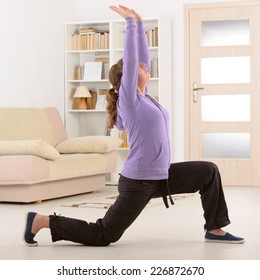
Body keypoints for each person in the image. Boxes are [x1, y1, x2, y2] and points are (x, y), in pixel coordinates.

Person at [24, 5, 244, 247]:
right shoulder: (129, 100)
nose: (144, 67)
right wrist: (129, 25)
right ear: (127, 77)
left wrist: (139, 25)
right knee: (103, 234)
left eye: (144, 65)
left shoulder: (146, 96)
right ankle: (41, 221)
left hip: (162, 175)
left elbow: (140, 58)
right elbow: (131, 60)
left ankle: (214, 228)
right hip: (139, 181)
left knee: (208, 171)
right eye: (139, 67)